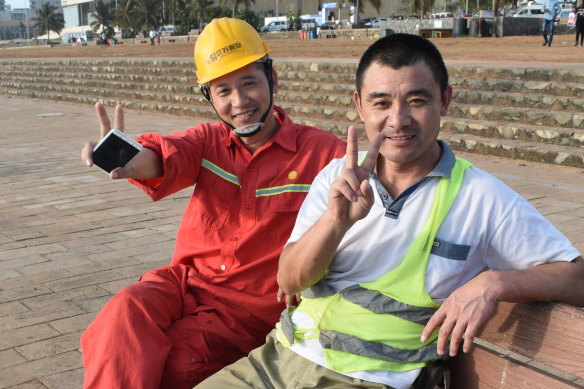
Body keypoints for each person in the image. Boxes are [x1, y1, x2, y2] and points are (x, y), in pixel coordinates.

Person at [195, 33, 584, 389]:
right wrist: (335, 223)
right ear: (360, 106)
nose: (398, 121)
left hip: (363, 379)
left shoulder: (482, 197)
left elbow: (577, 277)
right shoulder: (336, 176)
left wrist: (495, 283)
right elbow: (291, 279)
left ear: (445, 101)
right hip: (275, 361)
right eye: (381, 103)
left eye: (417, 101)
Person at [79, 18, 346, 389]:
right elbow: (161, 156)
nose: (239, 102)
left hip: (246, 311)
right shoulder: (207, 143)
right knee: (119, 318)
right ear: (210, 97)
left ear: (273, 80)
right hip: (183, 283)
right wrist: (124, 158)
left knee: (177, 365)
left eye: (249, 83)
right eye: (223, 90)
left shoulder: (324, 153)